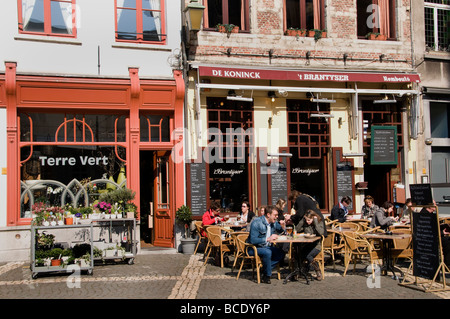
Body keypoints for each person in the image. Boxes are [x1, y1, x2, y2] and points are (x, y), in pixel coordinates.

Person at [247, 205, 286, 284]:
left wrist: (283, 225)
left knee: (281, 253)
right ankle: (267, 276)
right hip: (253, 248)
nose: (277, 217)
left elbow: (281, 231)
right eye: (275, 215)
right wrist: (267, 239)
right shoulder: (257, 222)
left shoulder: (273, 222)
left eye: (277, 215)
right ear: (268, 215)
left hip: (267, 247)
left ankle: (264, 270)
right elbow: (253, 240)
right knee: (268, 252)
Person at [295, 209, 325, 281]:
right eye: (306, 220)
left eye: (309, 220)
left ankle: (318, 271)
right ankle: (299, 272)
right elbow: (296, 229)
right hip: (307, 244)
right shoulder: (305, 223)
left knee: (309, 256)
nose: (307, 222)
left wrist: (315, 222)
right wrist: (302, 221)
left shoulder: (319, 222)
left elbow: (321, 232)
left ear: (313, 218)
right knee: (298, 254)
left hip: (316, 245)